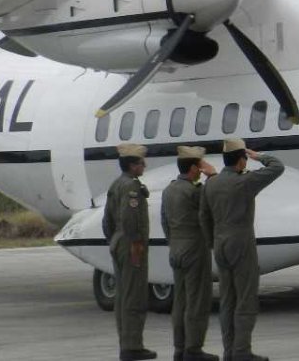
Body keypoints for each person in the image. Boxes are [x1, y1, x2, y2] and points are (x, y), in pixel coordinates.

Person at [200, 139, 284, 361]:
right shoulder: (245, 182)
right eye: (245, 158)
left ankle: (229, 351)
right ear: (240, 160)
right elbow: (277, 167)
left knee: (228, 301)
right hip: (241, 243)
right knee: (246, 299)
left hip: (220, 244)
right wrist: (258, 155)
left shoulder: (212, 183)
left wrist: (213, 242)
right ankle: (242, 351)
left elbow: (204, 217)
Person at [161, 146, 219, 361]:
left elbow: (164, 221)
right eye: (199, 165)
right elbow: (210, 209)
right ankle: (193, 350)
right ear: (194, 167)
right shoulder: (195, 191)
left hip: (176, 246)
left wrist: (173, 242)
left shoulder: (169, 189)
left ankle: (180, 348)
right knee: (197, 301)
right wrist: (212, 177)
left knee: (181, 302)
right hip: (195, 248)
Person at [105, 143, 157, 361]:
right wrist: (135, 242)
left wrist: (114, 240)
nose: (144, 165)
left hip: (119, 241)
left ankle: (127, 343)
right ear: (132, 165)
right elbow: (130, 217)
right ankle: (132, 346)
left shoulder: (117, 184)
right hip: (131, 244)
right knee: (134, 295)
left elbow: (107, 220)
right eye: (140, 163)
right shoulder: (131, 188)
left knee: (123, 296)